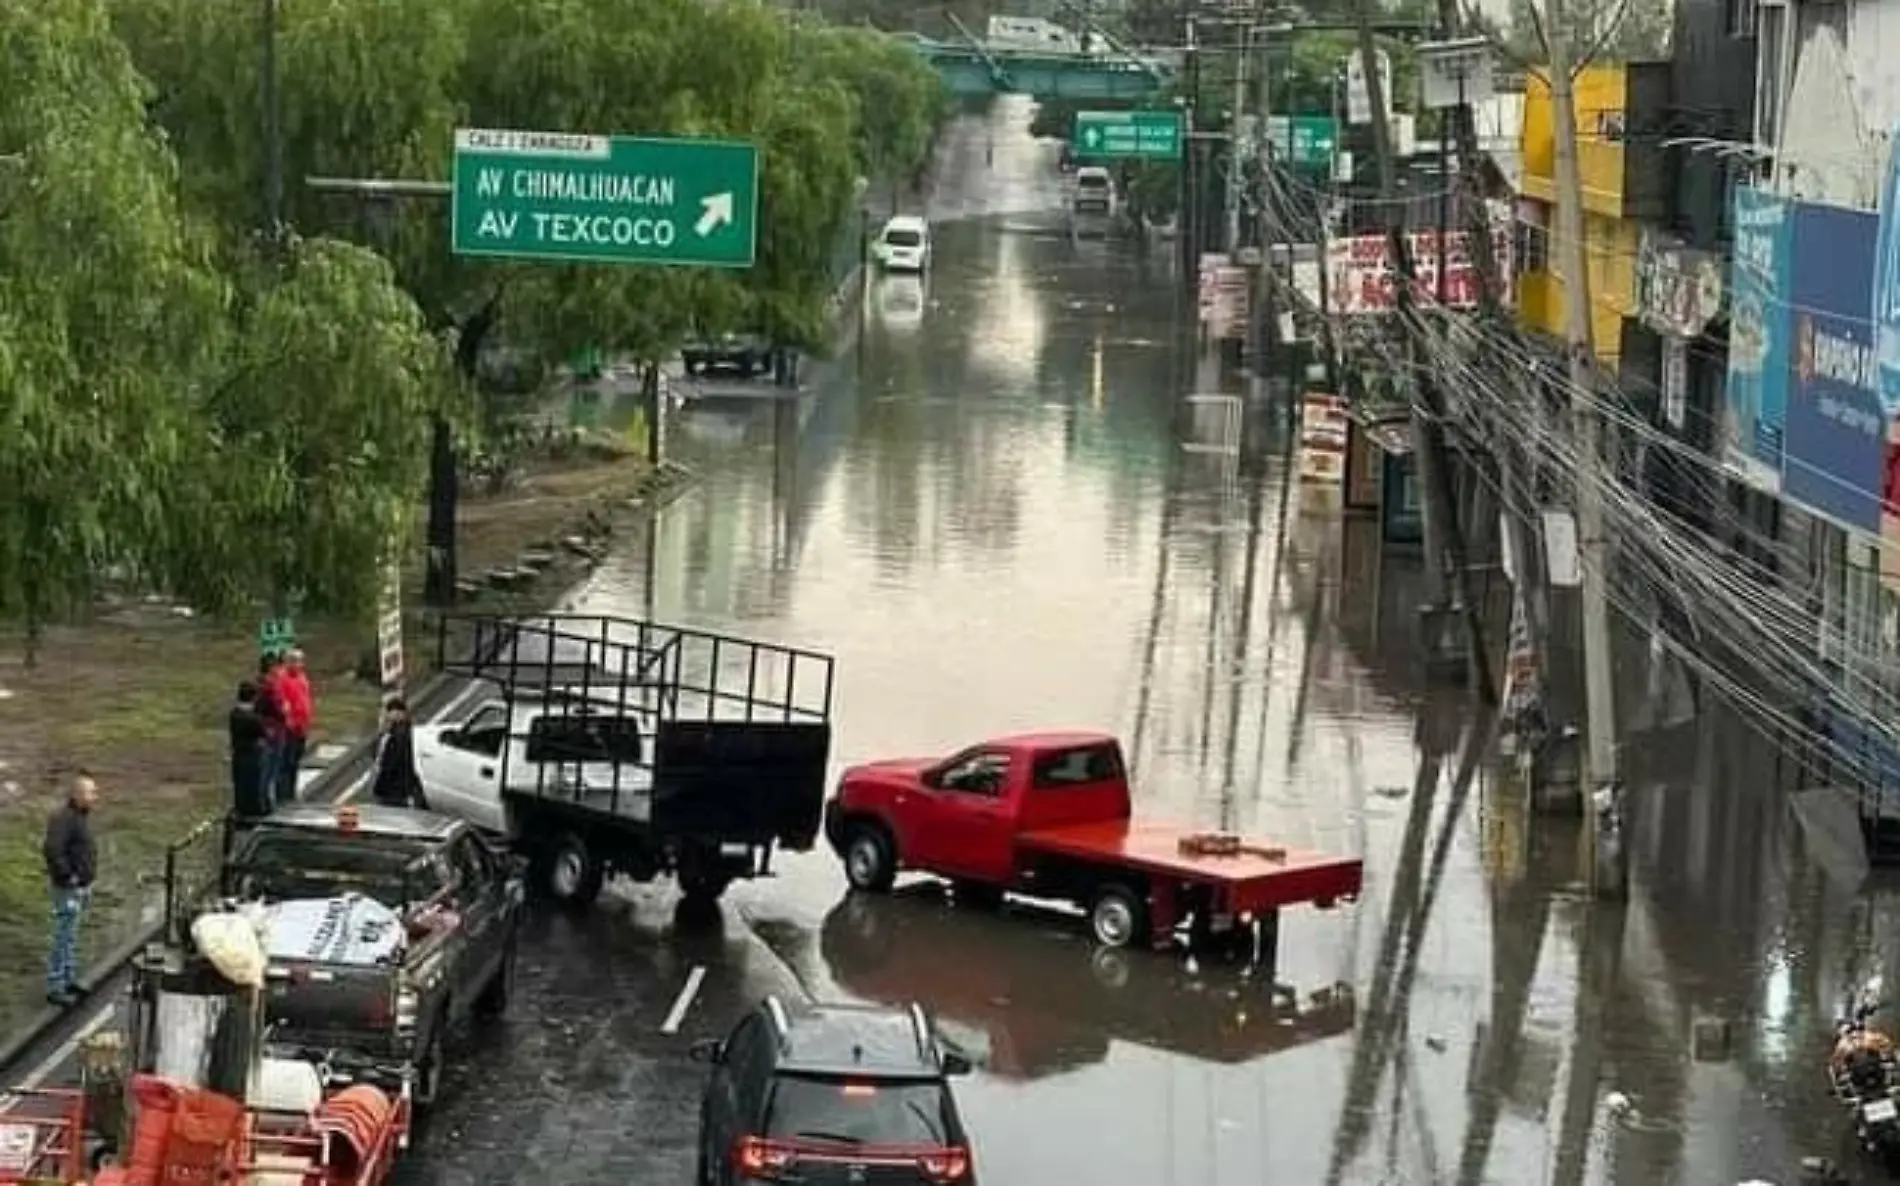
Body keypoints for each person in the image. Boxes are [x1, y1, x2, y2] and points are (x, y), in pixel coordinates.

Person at [42, 774, 98, 1007]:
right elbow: (52, 850)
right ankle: (56, 986)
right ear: (76, 795)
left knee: (71, 936)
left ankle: (68, 978)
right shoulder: (64, 819)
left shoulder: (79, 818)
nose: (95, 797)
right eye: (90, 793)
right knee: (63, 935)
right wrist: (70, 877)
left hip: (79, 887)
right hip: (68, 889)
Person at [276, 649, 315, 805]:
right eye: (296, 661)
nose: (299, 665)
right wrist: (290, 722)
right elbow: (283, 704)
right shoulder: (282, 679)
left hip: (302, 726)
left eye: (301, 661)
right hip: (290, 728)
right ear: (289, 662)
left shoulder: (302, 677)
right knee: (287, 761)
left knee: (296, 761)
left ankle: (291, 791)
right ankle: (284, 794)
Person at [228, 681, 270, 820]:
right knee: (253, 785)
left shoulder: (234, 714)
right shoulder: (253, 719)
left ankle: (241, 810)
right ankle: (253, 813)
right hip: (252, 755)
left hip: (238, 754)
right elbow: (265, 732)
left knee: (240, 785)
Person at [370, 697, 422, 808]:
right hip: (394, 788)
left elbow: (389, 763)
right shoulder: (392, 734)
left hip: (394, 789)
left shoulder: (400, 736)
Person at [256, 653, 286, 807]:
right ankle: (267, 801)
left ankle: (265, 799)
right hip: (273, 731)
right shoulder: (269, 686)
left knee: (267, 768)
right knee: (270, 768)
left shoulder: (260, 684)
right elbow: (278, 709)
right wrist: (285, 709)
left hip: (268, 729)